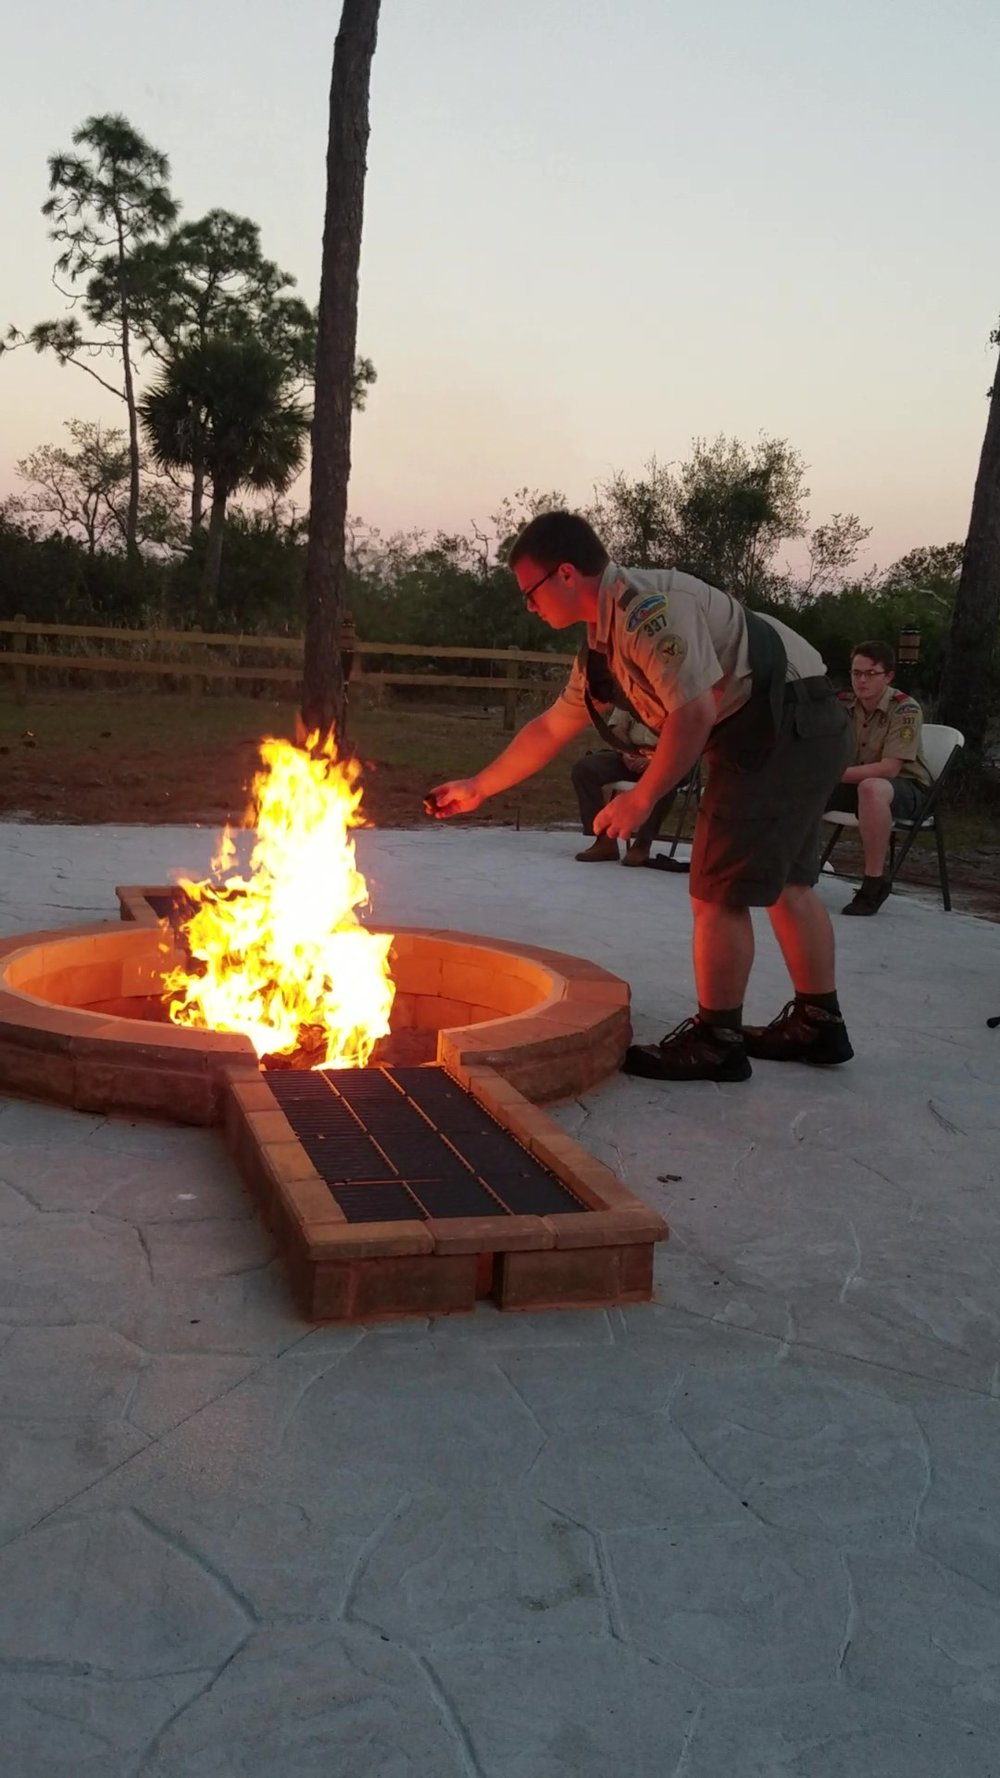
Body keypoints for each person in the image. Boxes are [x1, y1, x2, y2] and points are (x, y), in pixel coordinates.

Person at [429, 511, 854, 1083]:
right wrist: (479, 786)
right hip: (803, 721)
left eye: (530, 593)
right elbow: (554, 727)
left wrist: (644, 796)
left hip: (784, 724)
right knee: (788, 883)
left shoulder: (647, 612)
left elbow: (694, 711)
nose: (530, 607)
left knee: (716, 889)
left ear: (566, 574)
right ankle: (819, 1024)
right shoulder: (604, 639)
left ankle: (717, 1040)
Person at [827, 641, 931, 916]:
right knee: (800, 784)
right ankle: (789, 868)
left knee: (872, 788)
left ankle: (874, 883)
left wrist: (832, 774)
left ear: (888, 676)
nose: (861, 680)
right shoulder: (843, 705)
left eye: (870, 673)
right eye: (856, 673)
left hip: (908, 789)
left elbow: (889, 769)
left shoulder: (905, 709)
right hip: (857, 783)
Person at [571, 704, 678, 867]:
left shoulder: (681, 694)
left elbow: (687, 736)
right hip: (634, 753)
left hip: (672, 757)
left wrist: (655, 759)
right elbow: (618, 727)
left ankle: (642, 844)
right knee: (585, 769)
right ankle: (605, 840)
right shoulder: (633, 690)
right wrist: (625, 751)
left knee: (665, 778)